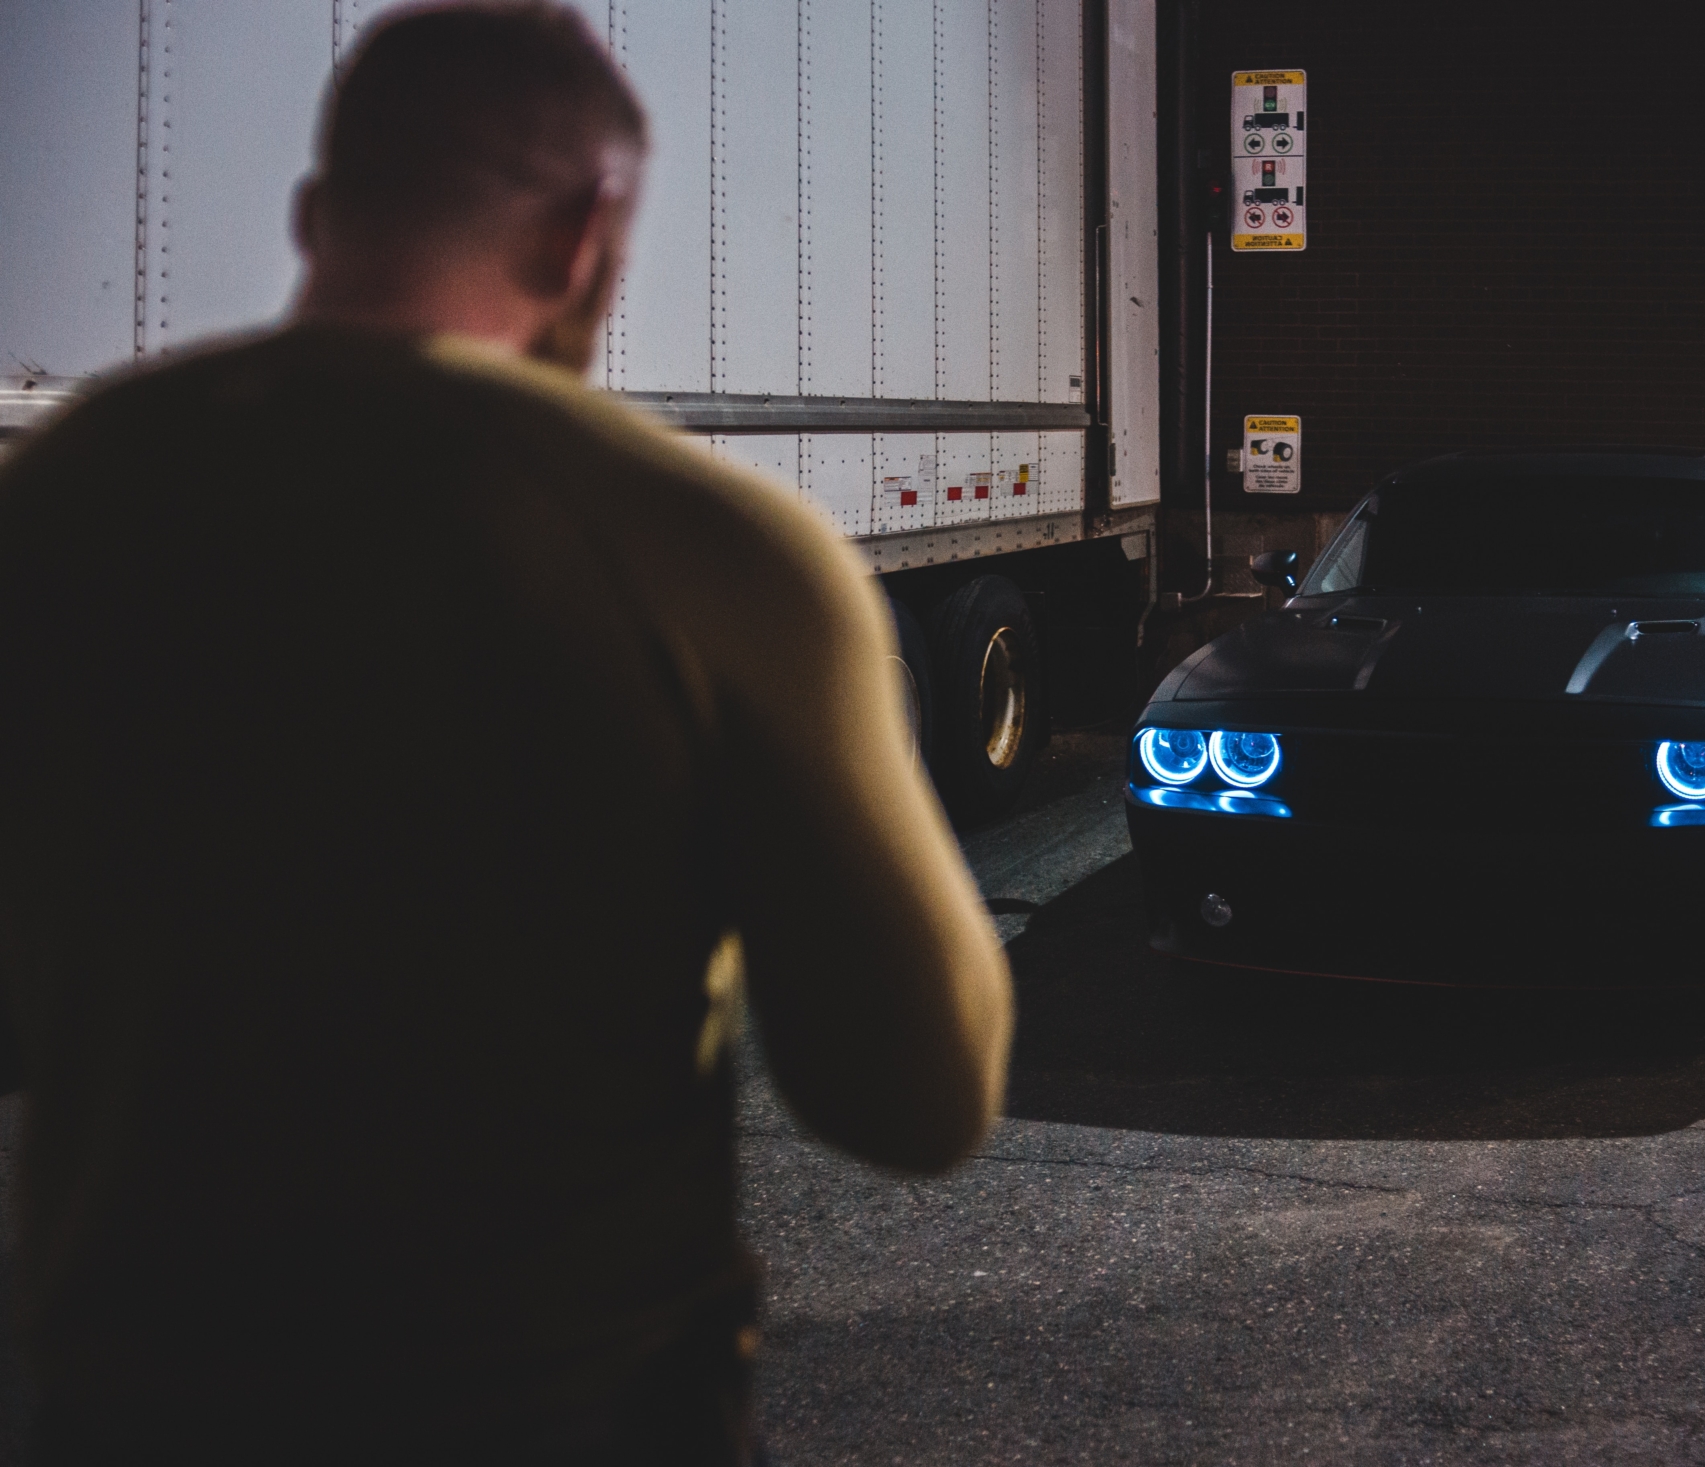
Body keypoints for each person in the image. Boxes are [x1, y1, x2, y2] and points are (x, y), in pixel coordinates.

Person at [0, 3, 1012, 1460]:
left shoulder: (59, 499)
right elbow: (917, 1095)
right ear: (588, 231)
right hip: (564, 1416)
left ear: (312, 212)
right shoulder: (713, 551)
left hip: (134, 1414)